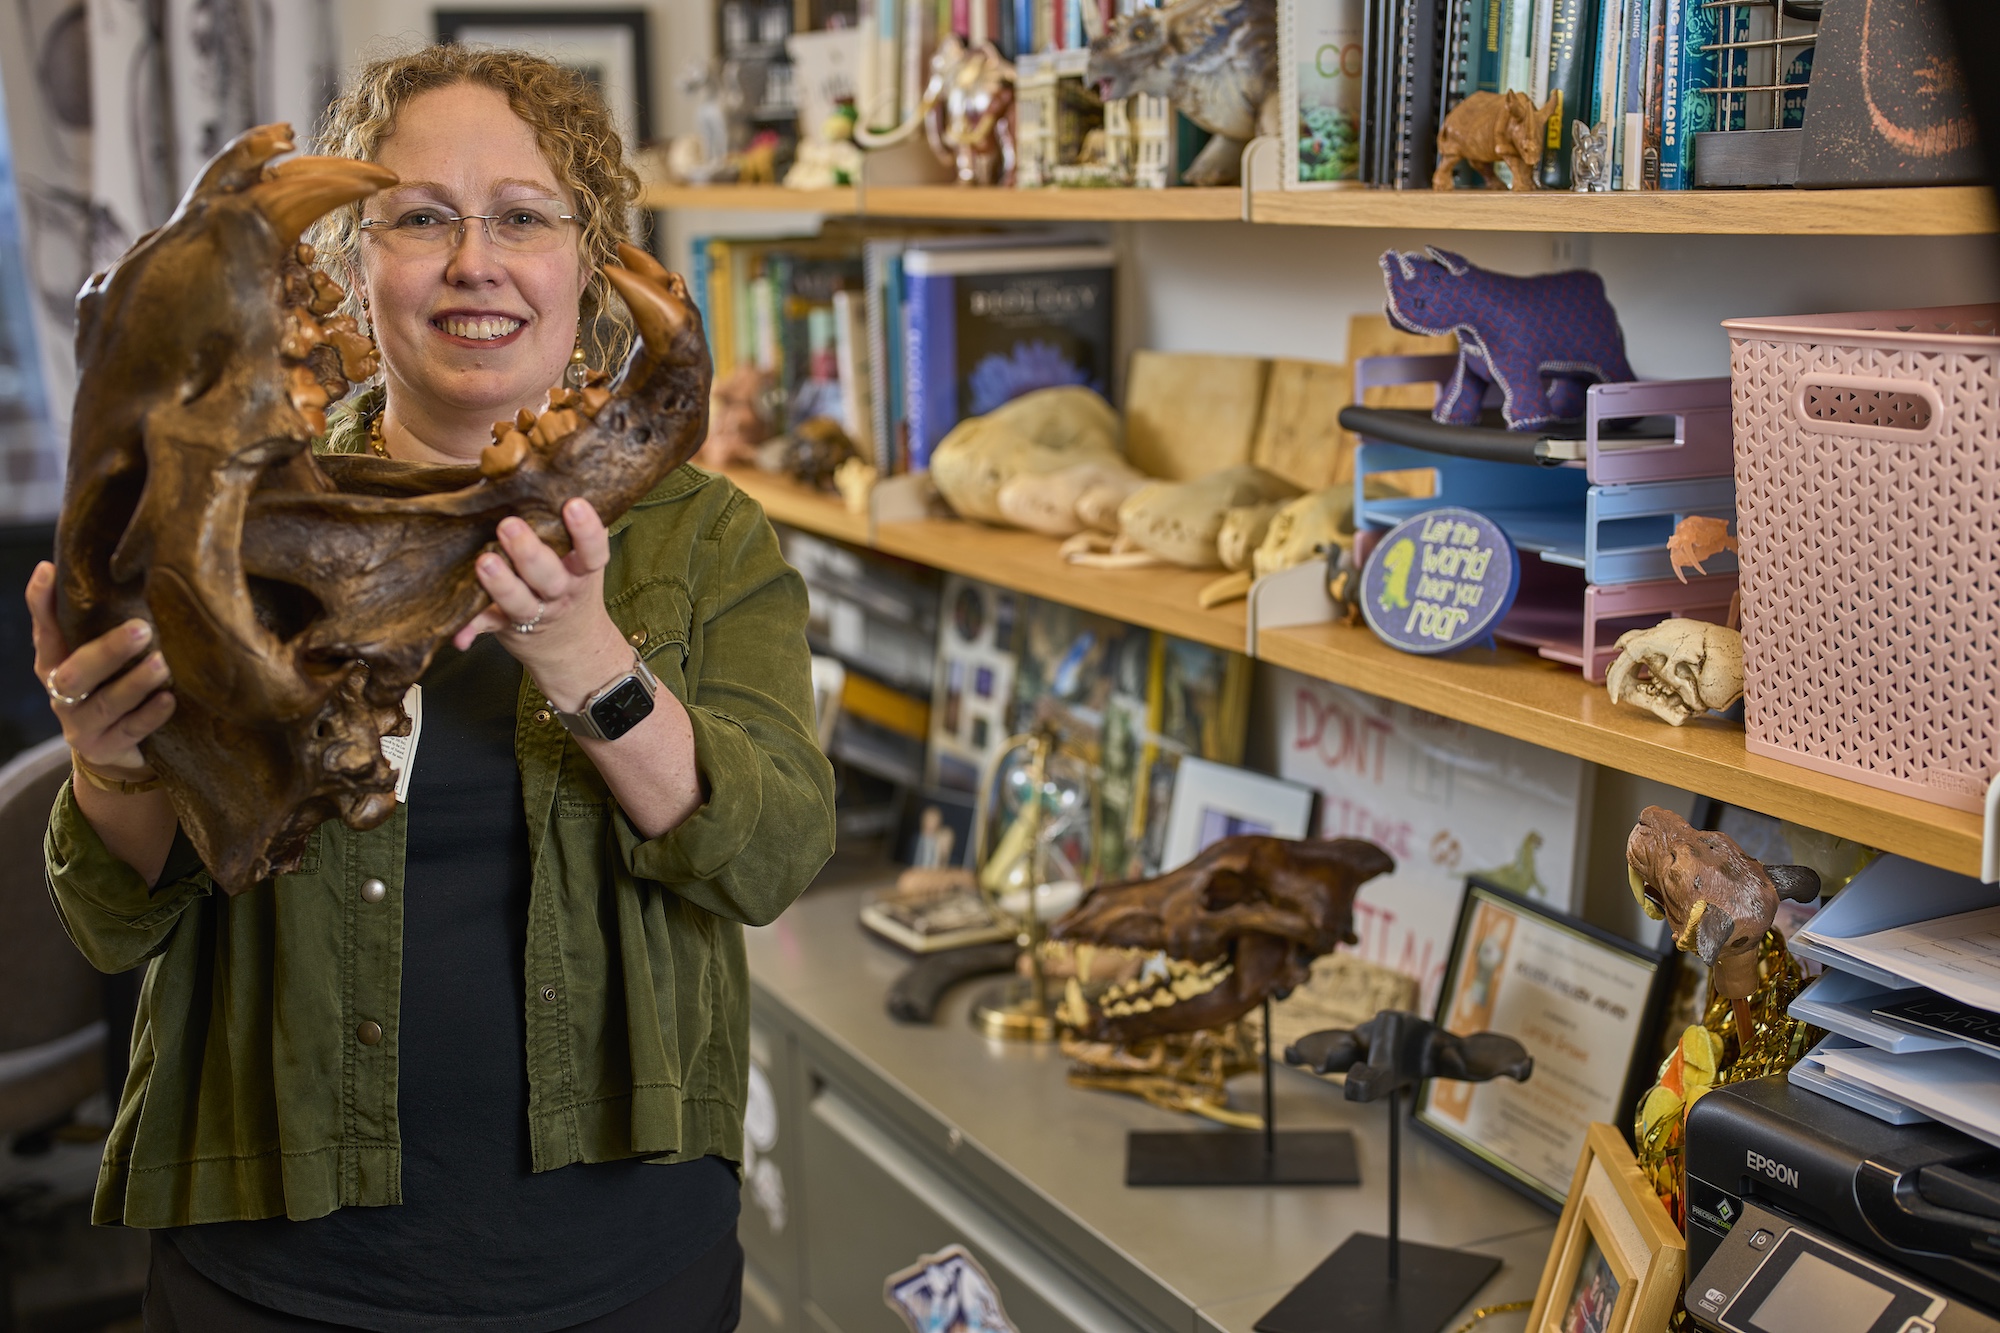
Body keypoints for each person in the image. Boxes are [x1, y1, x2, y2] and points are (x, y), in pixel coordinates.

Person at [29, 45, 835, 1332]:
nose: (476, 262)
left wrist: (586, 660)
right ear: (354, 262)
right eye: (419, 217)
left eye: (523, 216)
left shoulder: (699, 535)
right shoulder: (208, 521)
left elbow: (773, 854)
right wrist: (113, 755)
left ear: (586, 260)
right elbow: (113, 919)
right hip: (271, 1264)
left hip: (614, 1266)